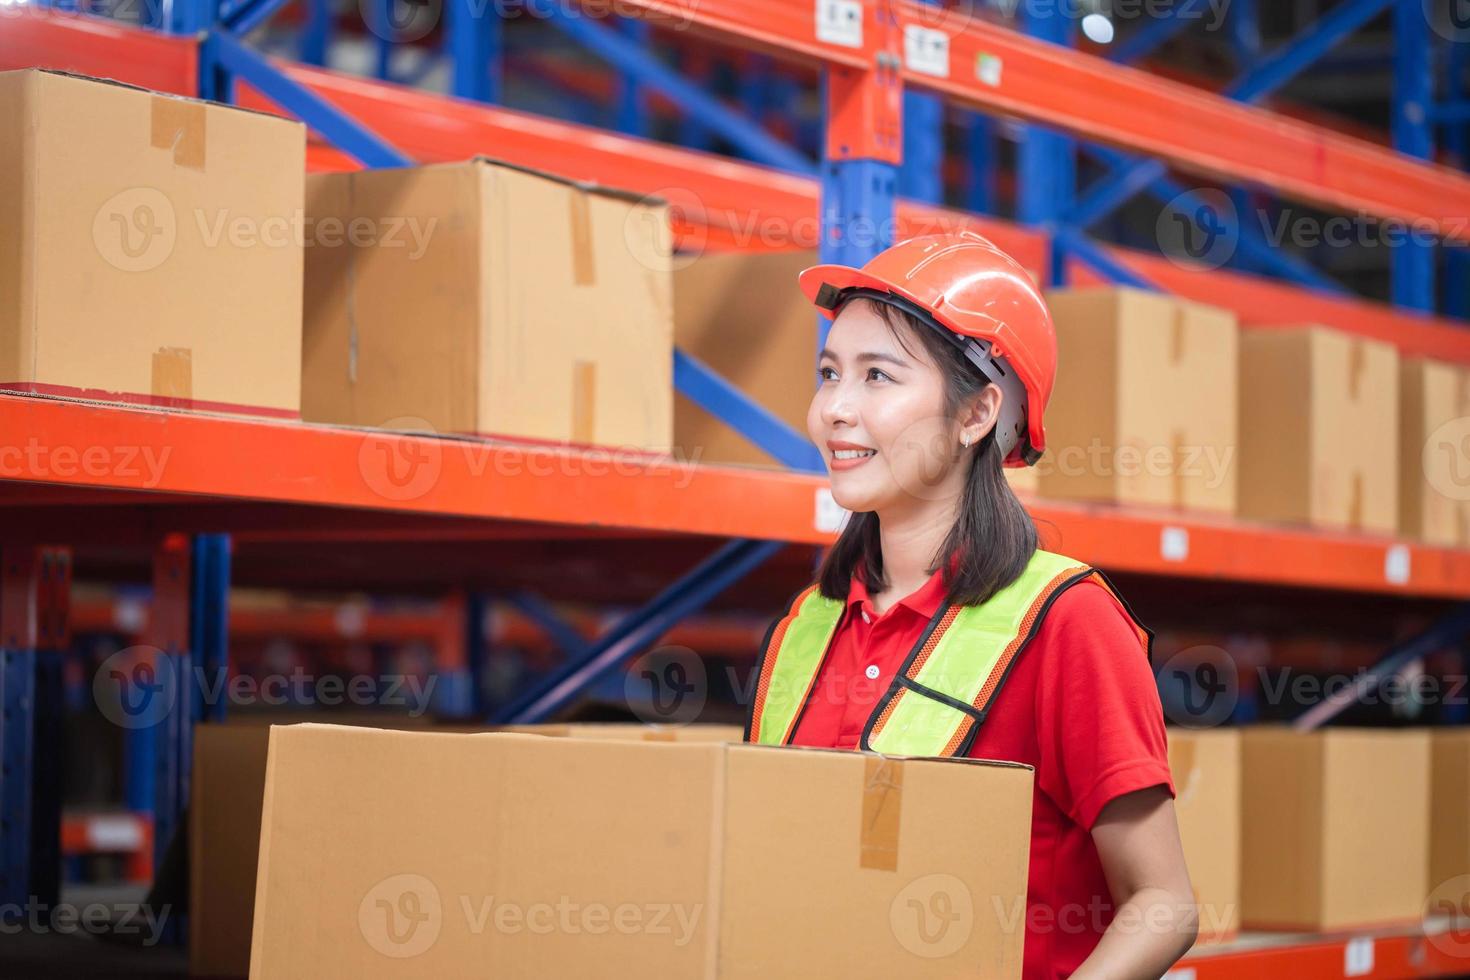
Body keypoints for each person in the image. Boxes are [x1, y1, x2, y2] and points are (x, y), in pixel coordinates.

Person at [743, 231, 1197, 979]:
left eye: (878, 377)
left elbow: (1164, 903)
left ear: (977, 412)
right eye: (829, 374)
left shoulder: (1064, 620)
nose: (834, 409)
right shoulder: (805, 626)